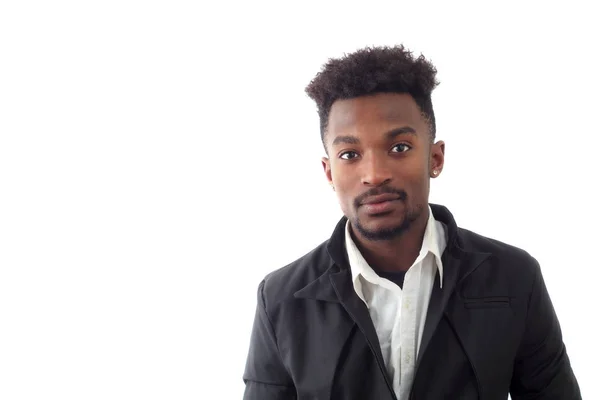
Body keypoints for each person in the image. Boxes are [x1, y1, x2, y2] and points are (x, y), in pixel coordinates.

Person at [242, 45, 581, 400]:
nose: (374, 174)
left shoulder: (515, 277)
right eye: (350, 155)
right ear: (329, 171)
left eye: (399, 147)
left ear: (435, 157)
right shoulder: (280, 298)